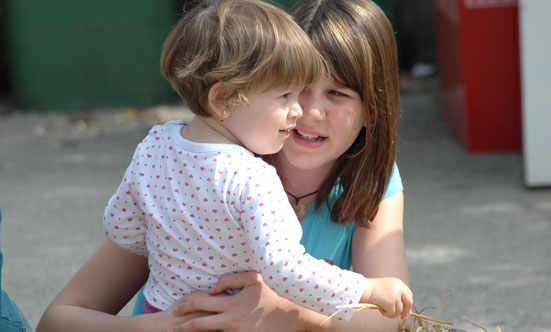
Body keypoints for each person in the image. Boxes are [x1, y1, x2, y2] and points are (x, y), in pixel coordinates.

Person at [36, 0, 410, 331]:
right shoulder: (202, 177)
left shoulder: (373, 181)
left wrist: (290, 316)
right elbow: (59, 319)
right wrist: (156, 325)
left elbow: (393, 320)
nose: (306, 111)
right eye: (289, 91)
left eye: (338, 93)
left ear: (373, 109)